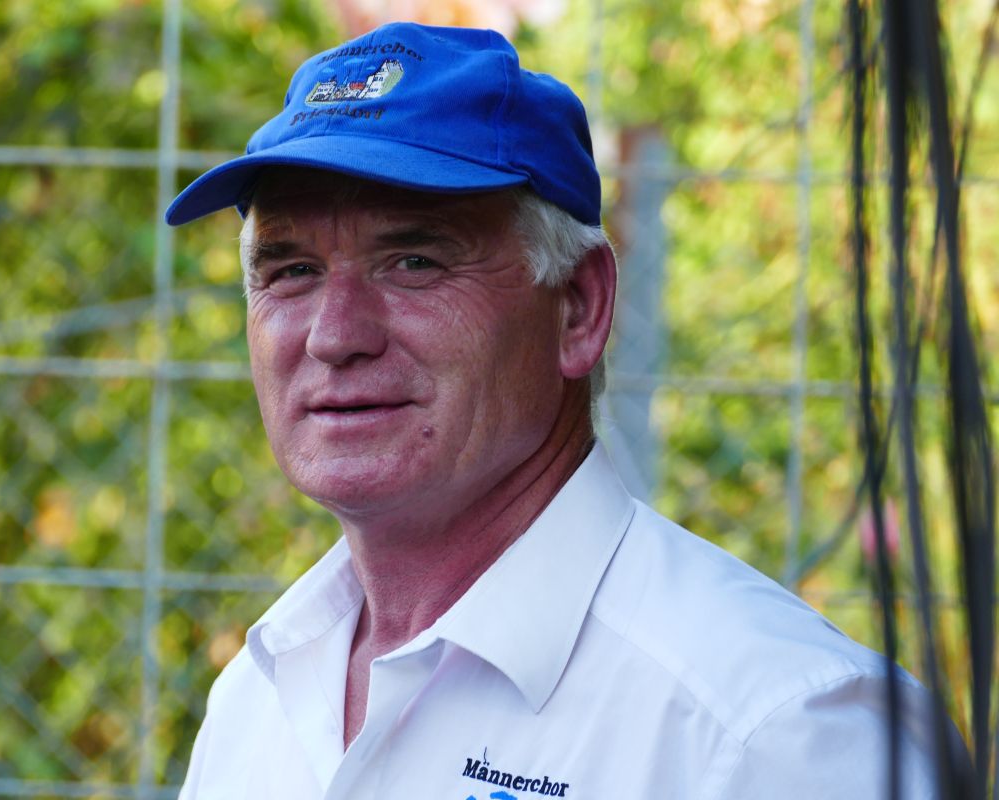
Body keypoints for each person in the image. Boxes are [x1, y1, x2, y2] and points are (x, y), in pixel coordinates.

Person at [167, 21, 942, 800]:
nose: (335, 336)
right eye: (293, 271)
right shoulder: (257, 700)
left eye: (413, 262)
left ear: (578, 307)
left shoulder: (779, 734)